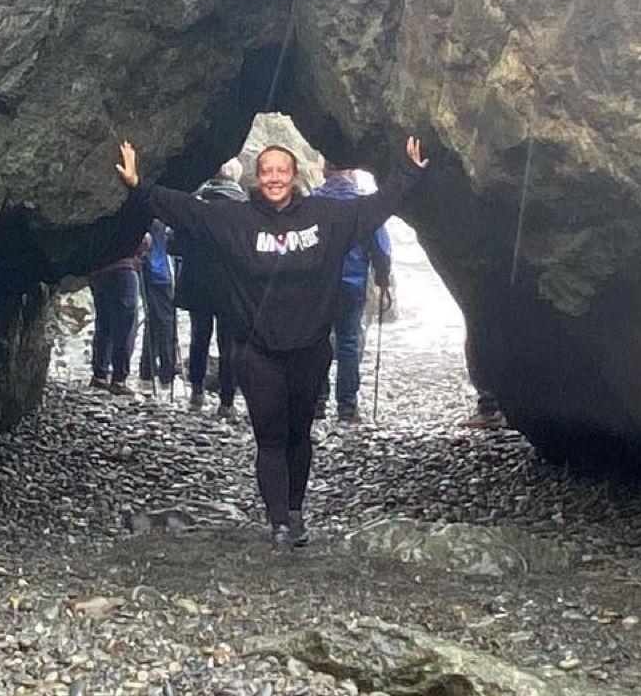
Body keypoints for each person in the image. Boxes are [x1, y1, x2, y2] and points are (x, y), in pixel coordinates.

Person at [117, 136, 428, 554]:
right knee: (270, 437)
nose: (275, 178)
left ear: (295, 175)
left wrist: (408, 173)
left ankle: (295, 511)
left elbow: (374, 209)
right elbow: (186, 212)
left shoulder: (327, 216)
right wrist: (139, 186)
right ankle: (279, 522)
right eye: (267, 172)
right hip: (256, 350)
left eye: (282, 171)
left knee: (300, 433)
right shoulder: (234, 219)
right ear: (257, 178)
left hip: (310, 348)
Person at [311, 162, 393, 424]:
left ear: (325, 171)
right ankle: (347, 407)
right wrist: (382, 280)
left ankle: (317, 402)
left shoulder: (311, 203)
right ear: (351, 172)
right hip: (353, 281)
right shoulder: (364, 205)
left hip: (317, 284)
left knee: (316, 340)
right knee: (348, 341)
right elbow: (381, 247)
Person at [176, 160, 248, 416]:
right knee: (228, 341)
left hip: (197, 281)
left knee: (199, 335)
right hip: (231, 285)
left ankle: (196, 392)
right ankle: (227, 401)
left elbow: (174, 245)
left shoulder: (197, 205)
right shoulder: (245, 210)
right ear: (236, 179)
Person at [87, 251, 142, 395]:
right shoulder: (127, 227)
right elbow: (144, 241)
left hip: (97, 270)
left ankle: (100, 374)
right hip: (123, 268)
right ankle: (119, 378)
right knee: (125, 325)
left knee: (104, 323)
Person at [137, 218, 178, 392]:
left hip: (153, 273)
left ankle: (148, 372)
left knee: (154, 321)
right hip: (162, 276)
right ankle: (165, 373)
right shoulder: (165, 221)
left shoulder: (150, 220)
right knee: (166, 324)